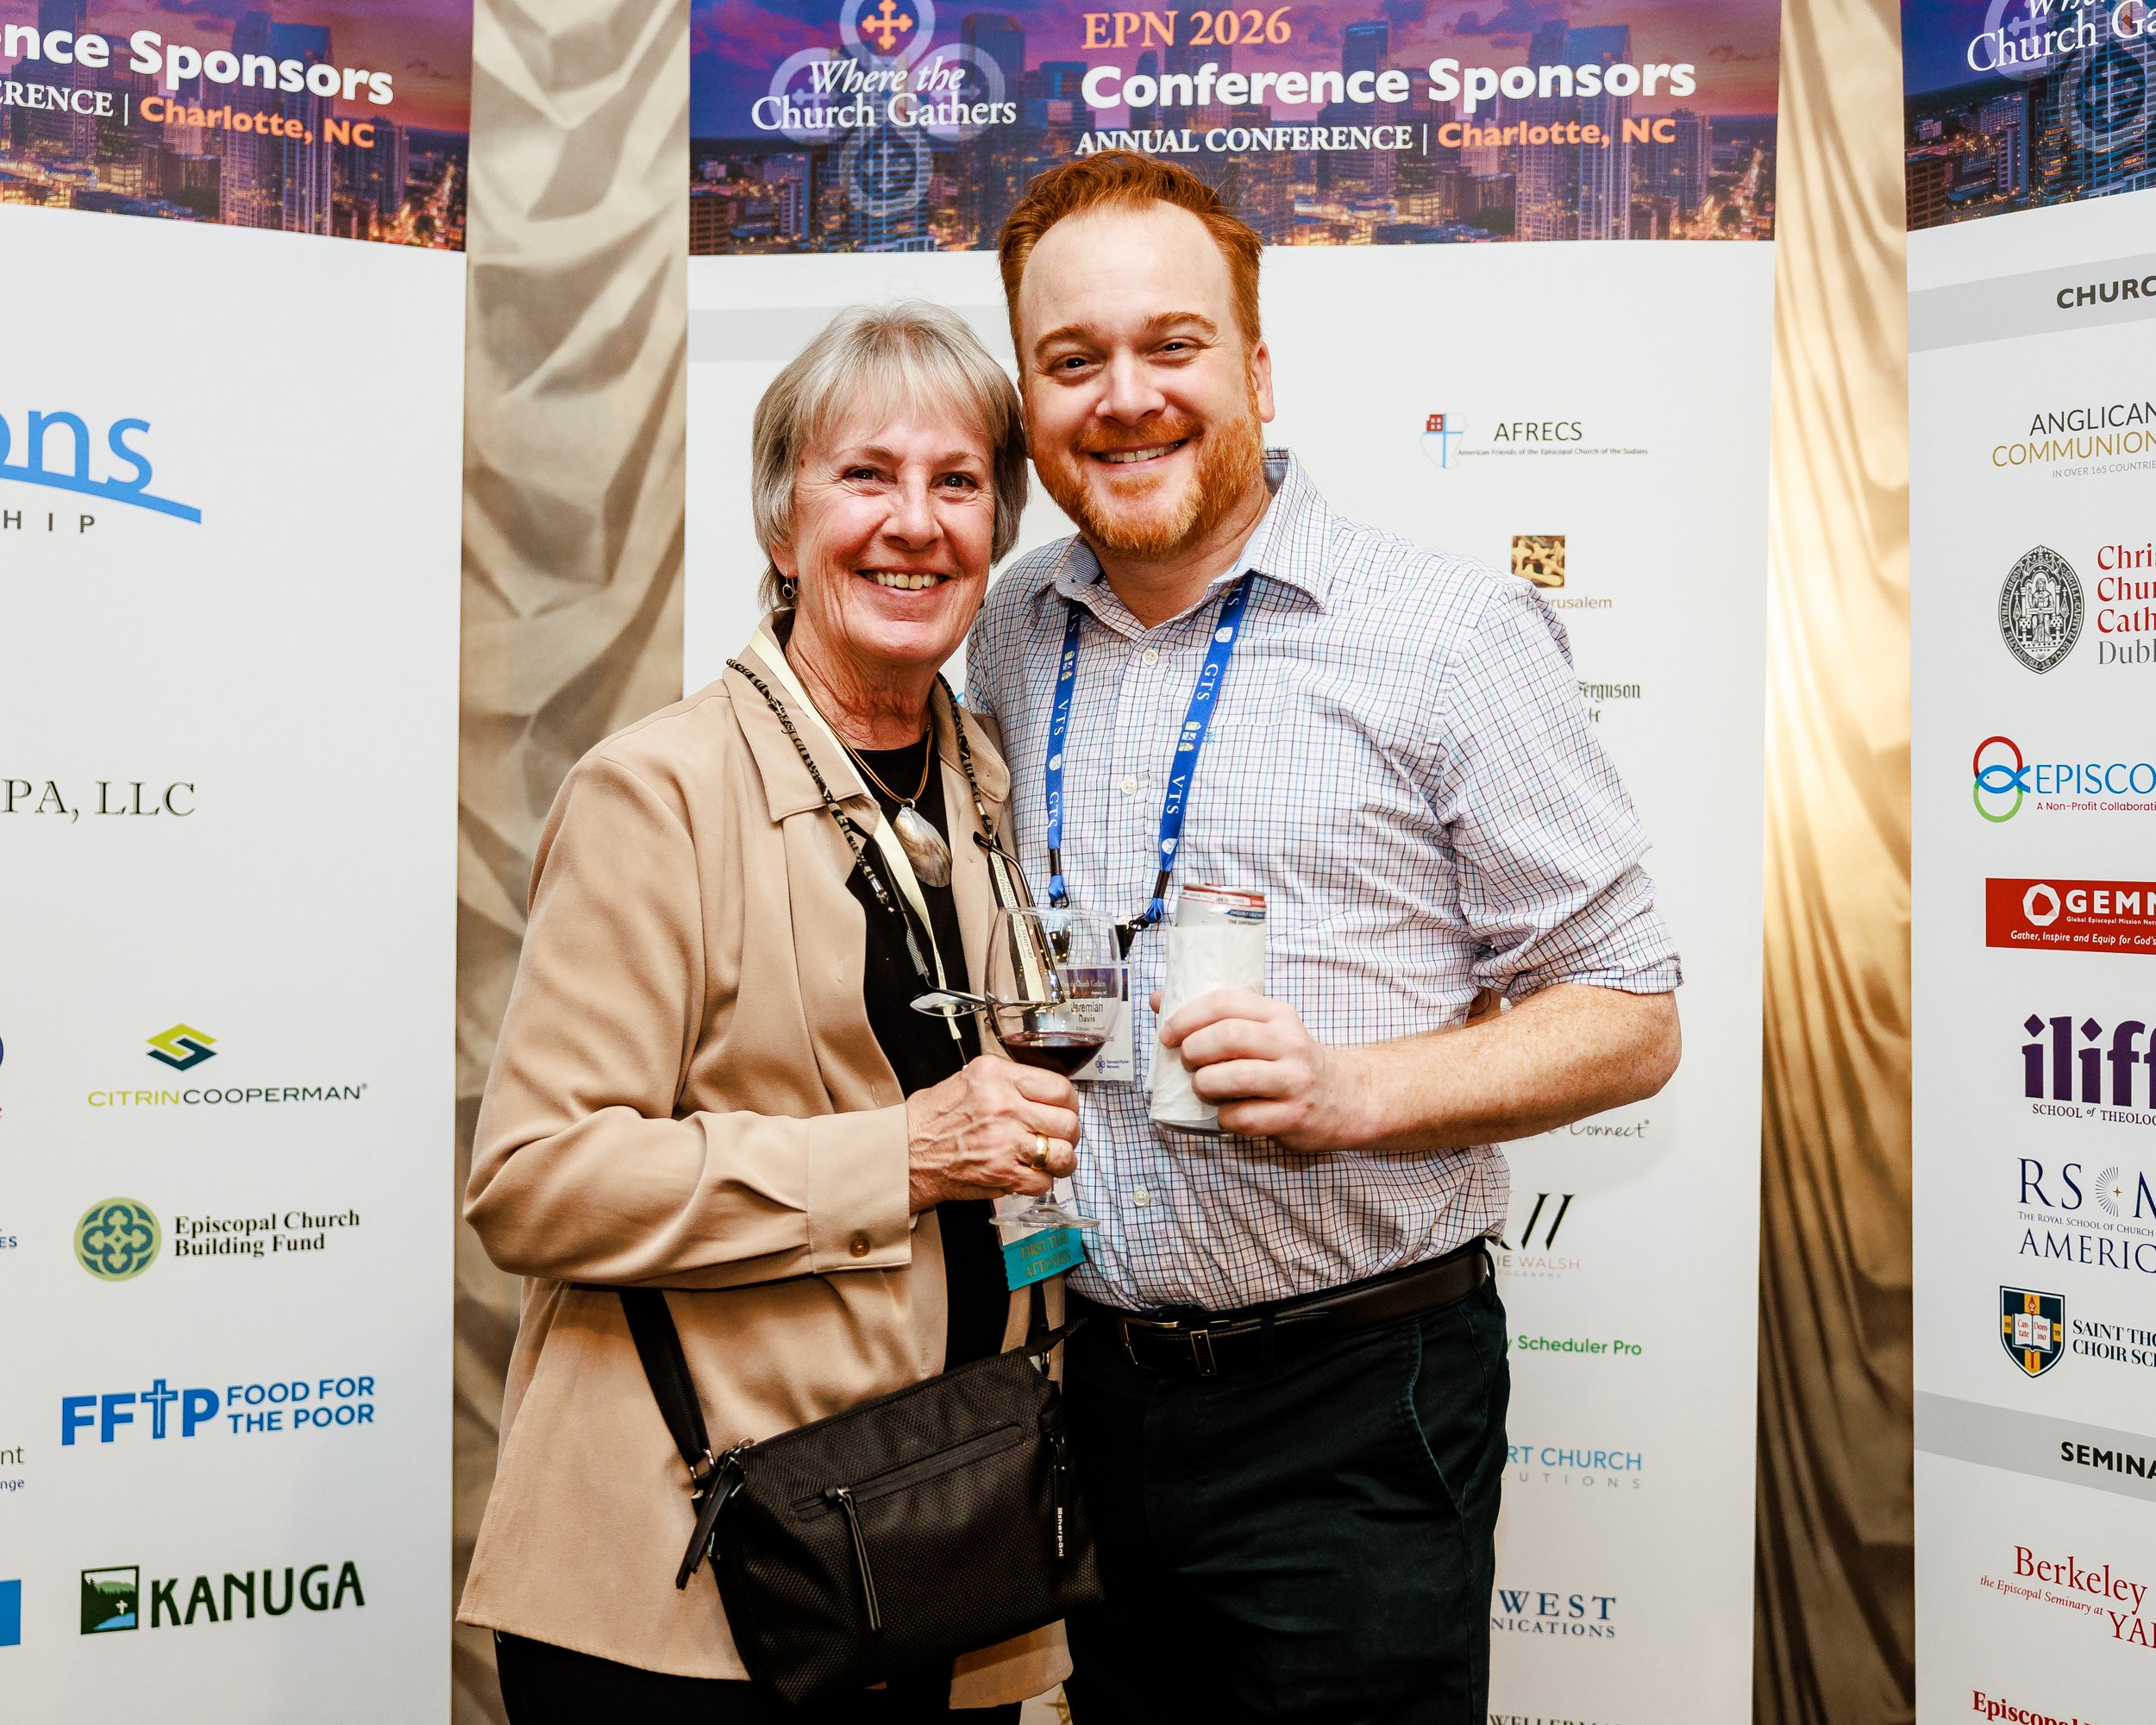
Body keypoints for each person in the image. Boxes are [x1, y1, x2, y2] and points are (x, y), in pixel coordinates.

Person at [964, 153, 1684, 1724]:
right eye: (1072, 361)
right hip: (1086, 1392)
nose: (1125, 398)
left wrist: (1354, 1091)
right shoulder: (1008, 628)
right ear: (1028, 400)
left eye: (1172, 345)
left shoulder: (1447, 634)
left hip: (1356, 1407)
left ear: (1258, 369)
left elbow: (1632, 1010)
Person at [459, 302, 1080, 1722]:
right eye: (865, 475)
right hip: (701, 1585)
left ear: (997, 531)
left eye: (957, 481)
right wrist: (903, 1155)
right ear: (782, 521)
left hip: (946, 1550)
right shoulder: (657, 794)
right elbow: (534, 1182)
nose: (914, 523)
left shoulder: (986, 783)